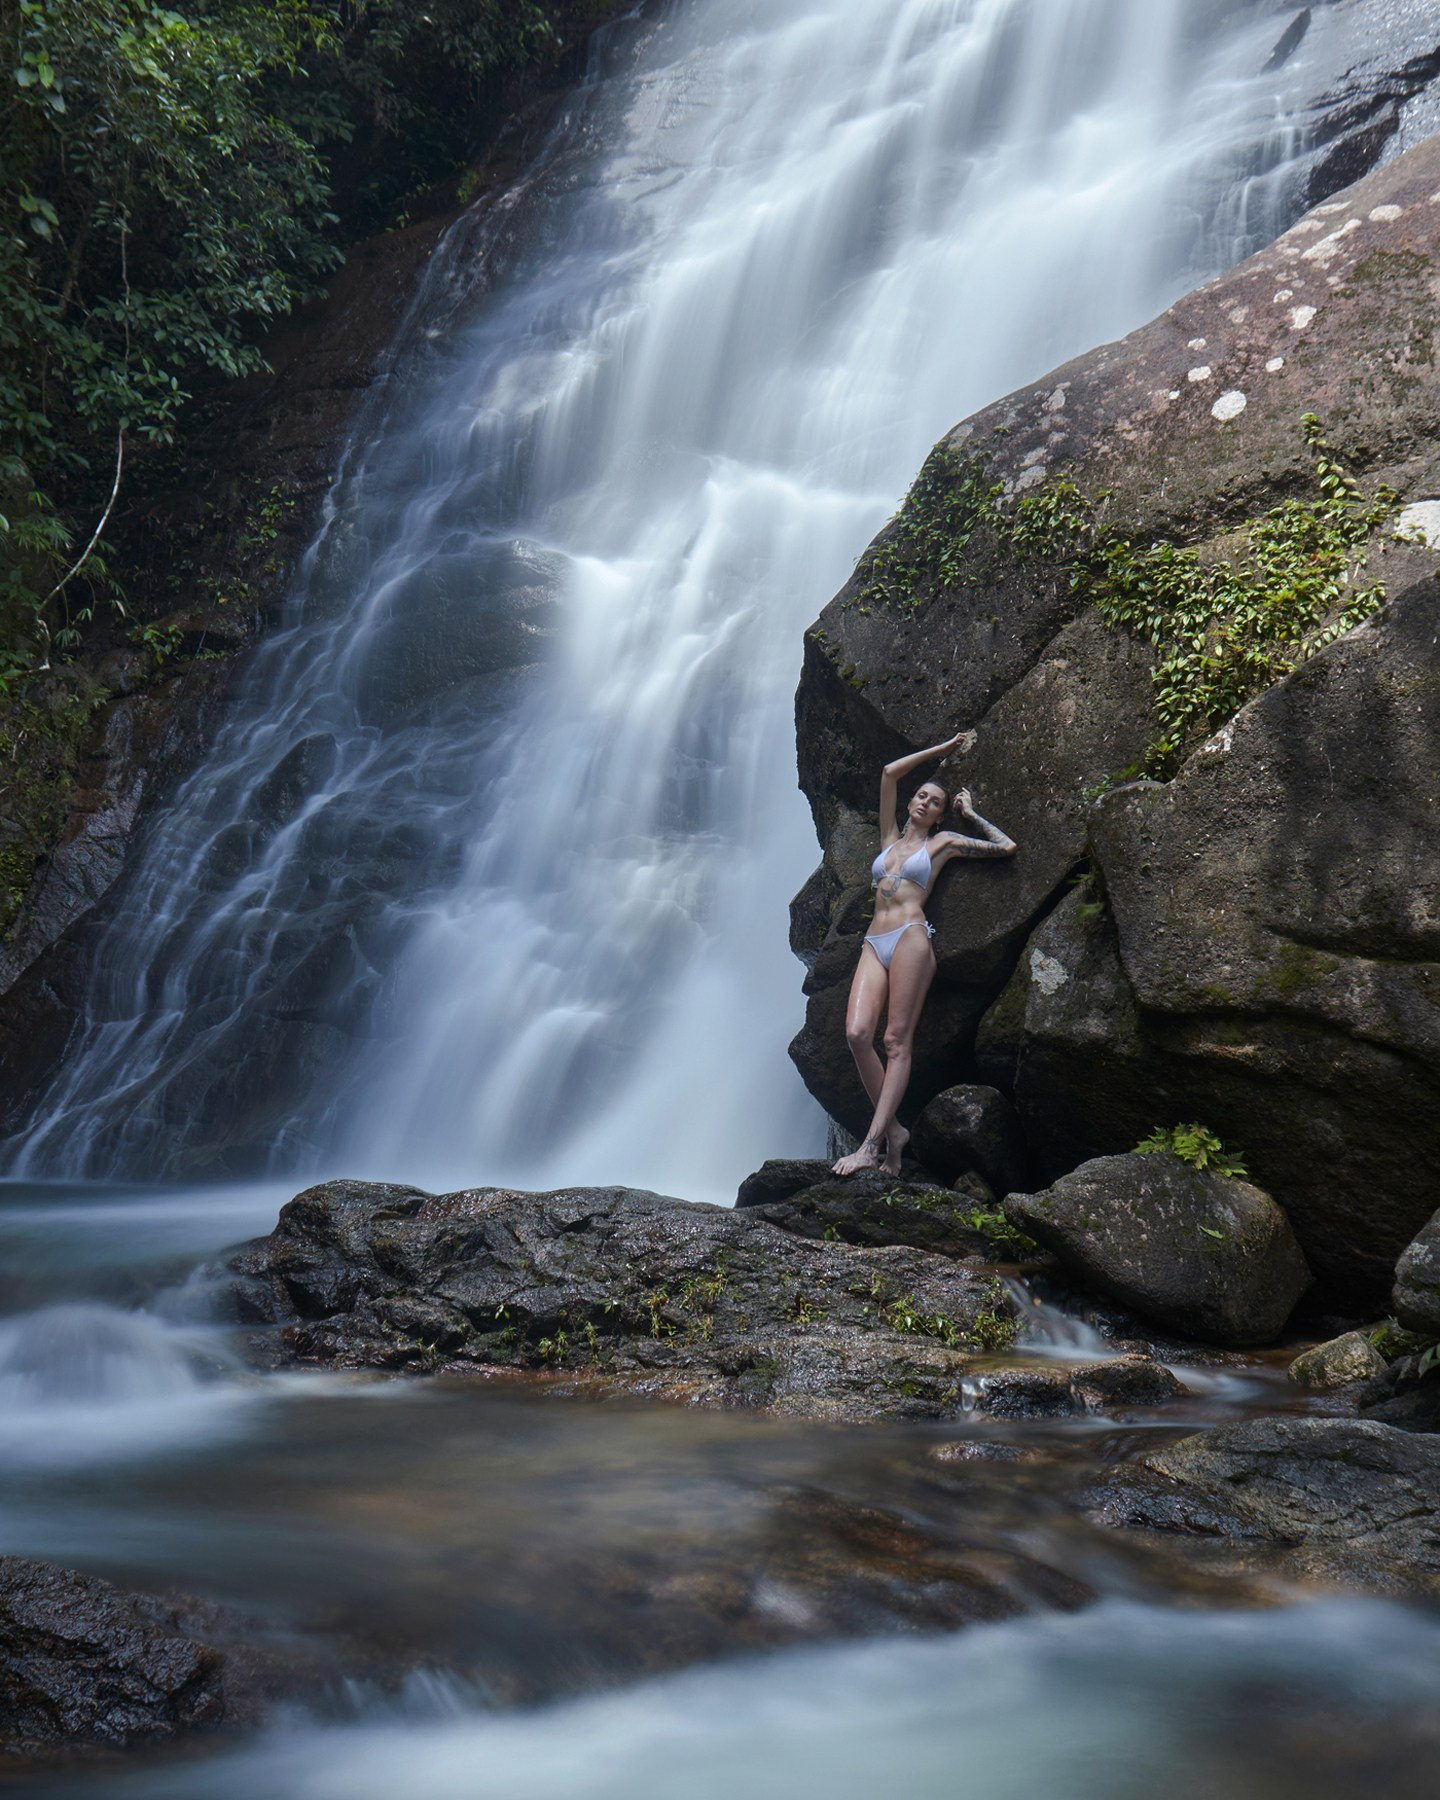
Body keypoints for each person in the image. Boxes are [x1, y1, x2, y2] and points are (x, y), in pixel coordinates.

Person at [832, 731, 1016, 1177]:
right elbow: (889, 773)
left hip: (912, 938)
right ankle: (895, 1131)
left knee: (895, 1042)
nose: (924, 802)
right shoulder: (889, 839)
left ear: (938, 816)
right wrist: (945, 749)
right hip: (874, 942)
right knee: (857, 1034)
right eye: (922, 795)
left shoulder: (942, 844)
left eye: (934, 802)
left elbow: (1005, 848)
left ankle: (871, 1146)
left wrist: (969, 814)